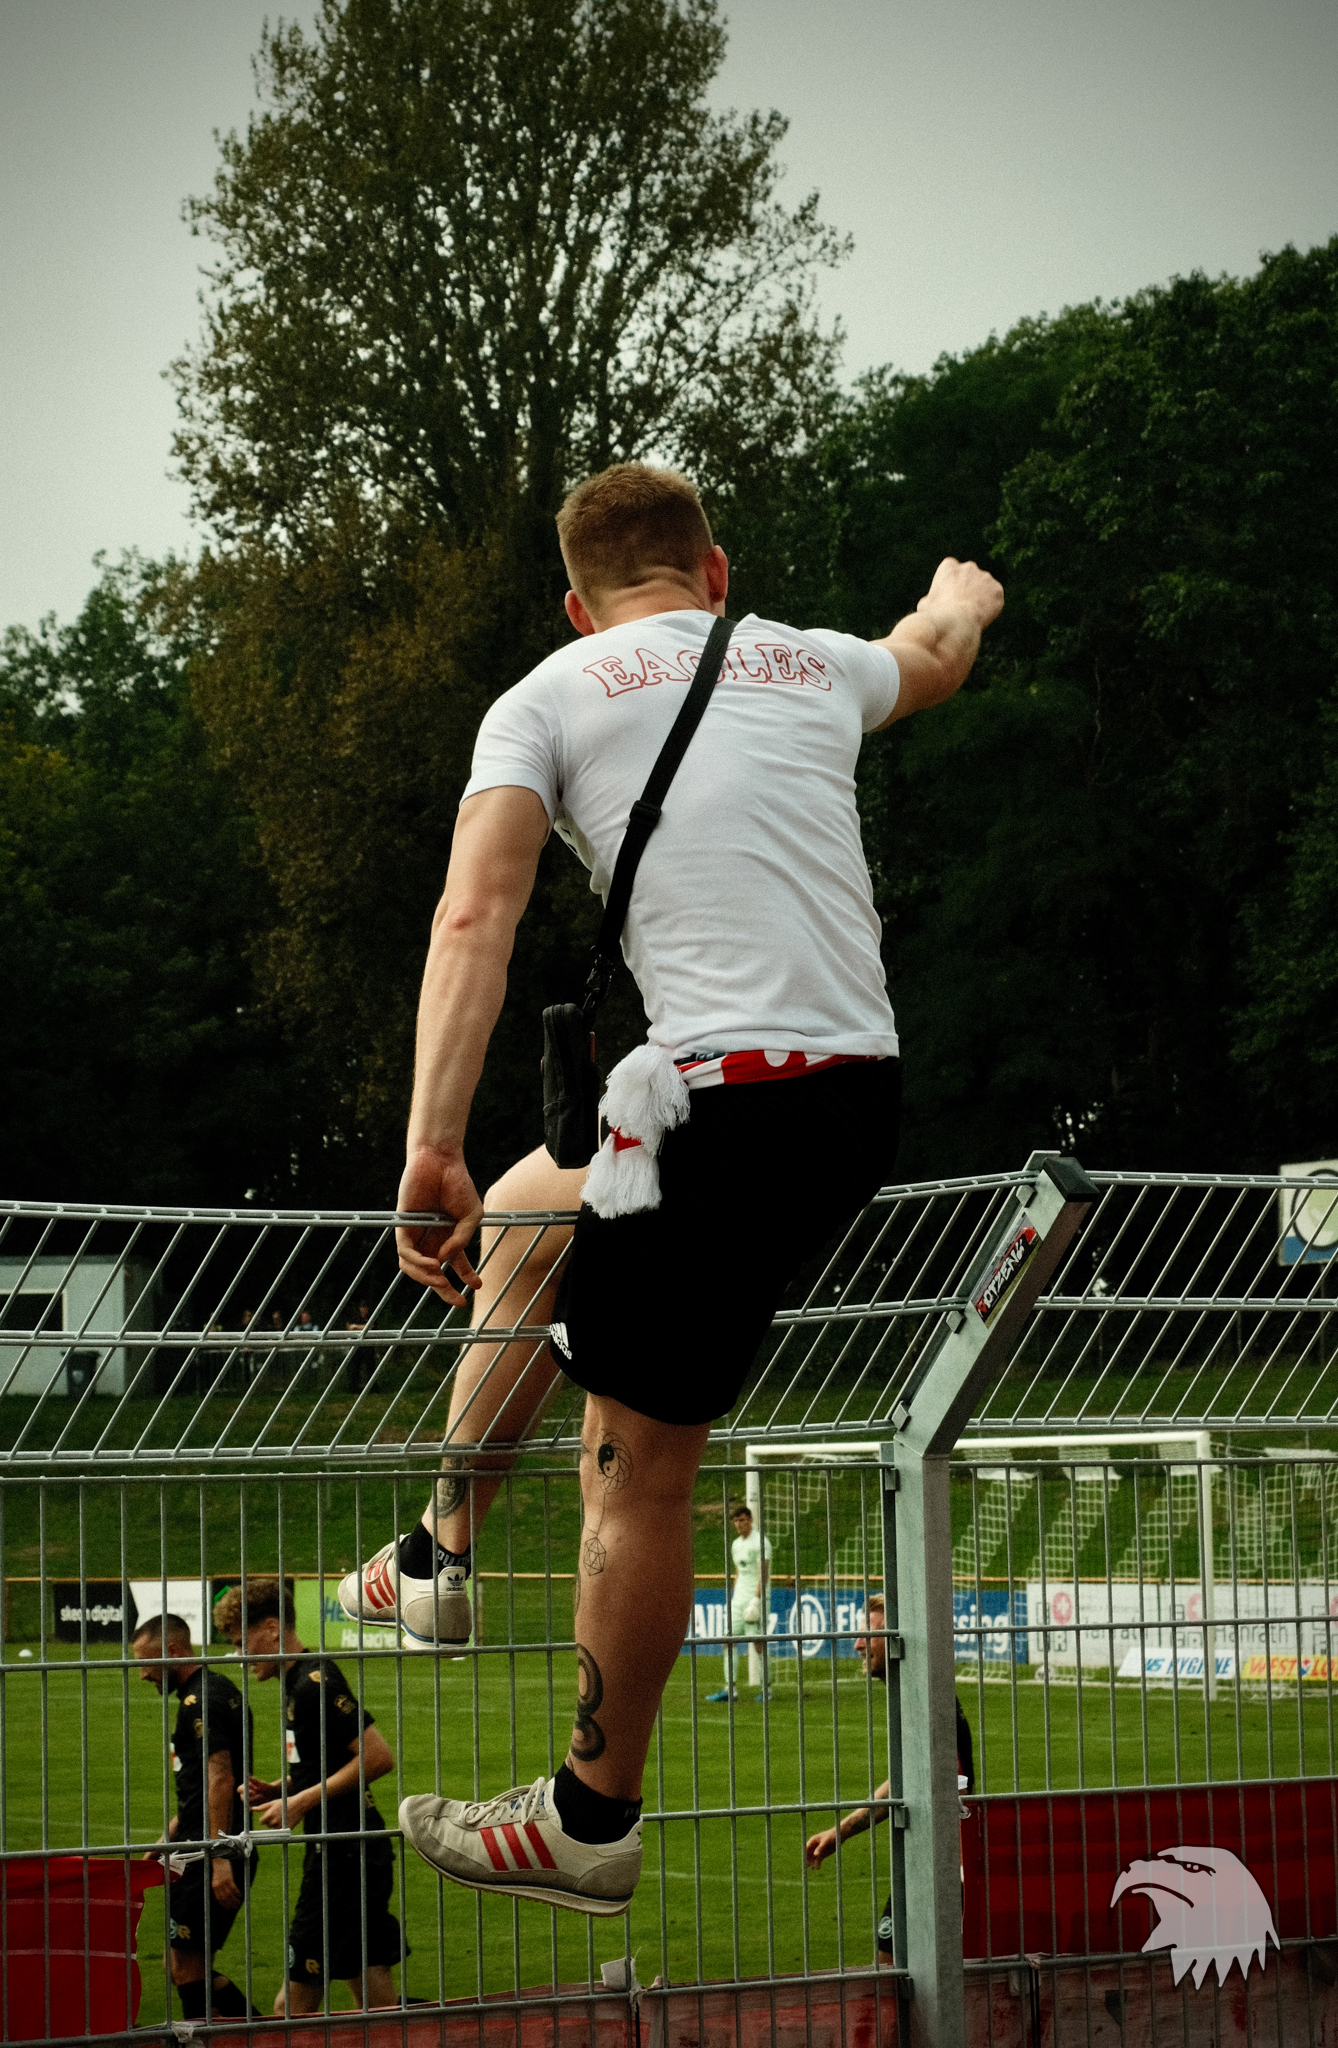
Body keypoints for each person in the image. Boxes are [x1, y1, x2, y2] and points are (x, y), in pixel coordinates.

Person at [338, 462, 1002, 1916]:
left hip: (723, 1105)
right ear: (713, 572)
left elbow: (474, 912)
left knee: (636, 1467)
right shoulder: (811, 661)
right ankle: (438, 1548)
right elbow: (934, 653)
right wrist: (959, 595)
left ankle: (587, 1817)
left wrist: (430, 1142)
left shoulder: (545, 696)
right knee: (529, 1217)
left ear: (578, 606)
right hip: (844, 1094)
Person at [214, 1577, 405, 2016]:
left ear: (271, 1628)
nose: (240, 1656)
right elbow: (328, 1760)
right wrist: (283, 1787)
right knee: (376, 2001)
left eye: (242, 1643)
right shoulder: (296, 1682)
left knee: (291, 2008)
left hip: (344, 1855)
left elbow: (377, 1757)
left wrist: (299, 1802)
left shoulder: (312, 1683)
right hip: (352, 1849)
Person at [804, 1594, 974, 1966]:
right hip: (925, 1858)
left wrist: (843, 1831)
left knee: (909, 1969)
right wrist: (841, 1830)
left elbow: (936, 1783)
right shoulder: (914, 1694)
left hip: (949, 1866)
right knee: (890, 1962)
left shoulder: (926, 1699)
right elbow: (910, 1777)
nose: (857, 1644)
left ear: (898, 1638)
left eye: (870, 1634)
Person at [130, 1612, 260, 2021]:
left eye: (145, 1663)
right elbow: (200, 1786)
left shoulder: (200, 1700)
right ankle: (257, 2031)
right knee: (181, 1966)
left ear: (172, 1651)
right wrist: (168, 1836)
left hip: (210, 1853)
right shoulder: (214, 1689)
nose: (142, 1674)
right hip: (197, 1846)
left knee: (186, 1967)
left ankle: (242, 2036)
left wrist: (218, 1857)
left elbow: (221, 1778)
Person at [706, 1503, 772, 1704]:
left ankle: (767, 1689)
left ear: (750, 1520)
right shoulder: (736, 1544)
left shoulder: (760, 1542)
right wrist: (735, 1596)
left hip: (755, 1599)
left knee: (758, 1643)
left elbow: (763, 1574)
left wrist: (756, 1599)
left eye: (742, 1520)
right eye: (735, 1521)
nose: (738, 1524)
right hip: (739, 1599)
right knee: (728, 1641)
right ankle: (730, 1689)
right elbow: (738, 1573)